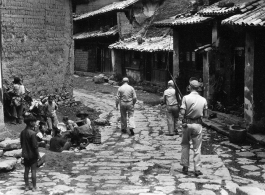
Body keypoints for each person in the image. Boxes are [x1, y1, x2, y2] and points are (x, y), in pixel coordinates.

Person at [179, 80, 208, 177]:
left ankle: (185, 166)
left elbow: (182, 113)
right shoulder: (203, 99)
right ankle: (197, 169)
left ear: (190, 87)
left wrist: (184, 109)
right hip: (197, 125)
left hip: (187, 124)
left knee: (185, 145)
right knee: (197, 147)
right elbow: (206, 115)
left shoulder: (185, 98)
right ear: (198, 88)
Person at [20, 115, 41, 192]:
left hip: (25, 154)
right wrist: (38, 155)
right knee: (33, 171)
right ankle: (34, 187)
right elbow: (35, 146)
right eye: (34, 121)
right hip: (32, 155)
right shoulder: (32, 133)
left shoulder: (22, 132)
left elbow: (22, 144)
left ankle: (26, 186)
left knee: (26, 170)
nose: (35, 123)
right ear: (30, 122)